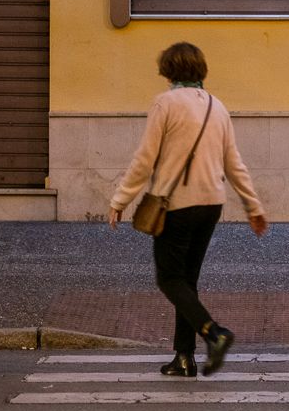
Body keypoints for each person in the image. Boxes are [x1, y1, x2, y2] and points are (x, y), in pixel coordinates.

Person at [107, 41, 269, 378]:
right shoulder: (217, 106)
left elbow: (144, 159)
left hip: (177, 205)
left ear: (168, 69)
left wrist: (120, 200)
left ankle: (214, 333)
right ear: (199, 69)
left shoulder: (164, 104)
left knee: (169, 278)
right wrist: (253, 206)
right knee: (187, 281)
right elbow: (234, 163)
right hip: (212, 204)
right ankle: (184, 358)